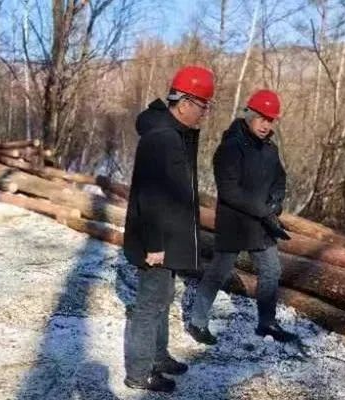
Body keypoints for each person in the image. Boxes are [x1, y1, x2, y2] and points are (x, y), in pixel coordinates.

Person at [123, 65, 215, 393]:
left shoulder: (174, 134)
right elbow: (150, 196)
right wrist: (154, 245)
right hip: (157, 241)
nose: (205, 112)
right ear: (185, 103)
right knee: (149, 306)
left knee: (163, 298)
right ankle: (139, 373)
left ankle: (158, 357)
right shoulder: (162, 138)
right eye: (203, 105)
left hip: (169, 239)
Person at [186, 89, 296, 346]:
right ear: (249, 115)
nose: (266, 125)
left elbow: (280, 180)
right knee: (219, 272)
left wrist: (276, 202)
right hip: (234, 223)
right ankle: (197, 322)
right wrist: (264, 210)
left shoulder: (270, 149)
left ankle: (267, 322)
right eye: (262, 118)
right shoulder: (230, 147)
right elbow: (230, 191)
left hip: (262, 225)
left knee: (271, 270)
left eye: (270, 120)